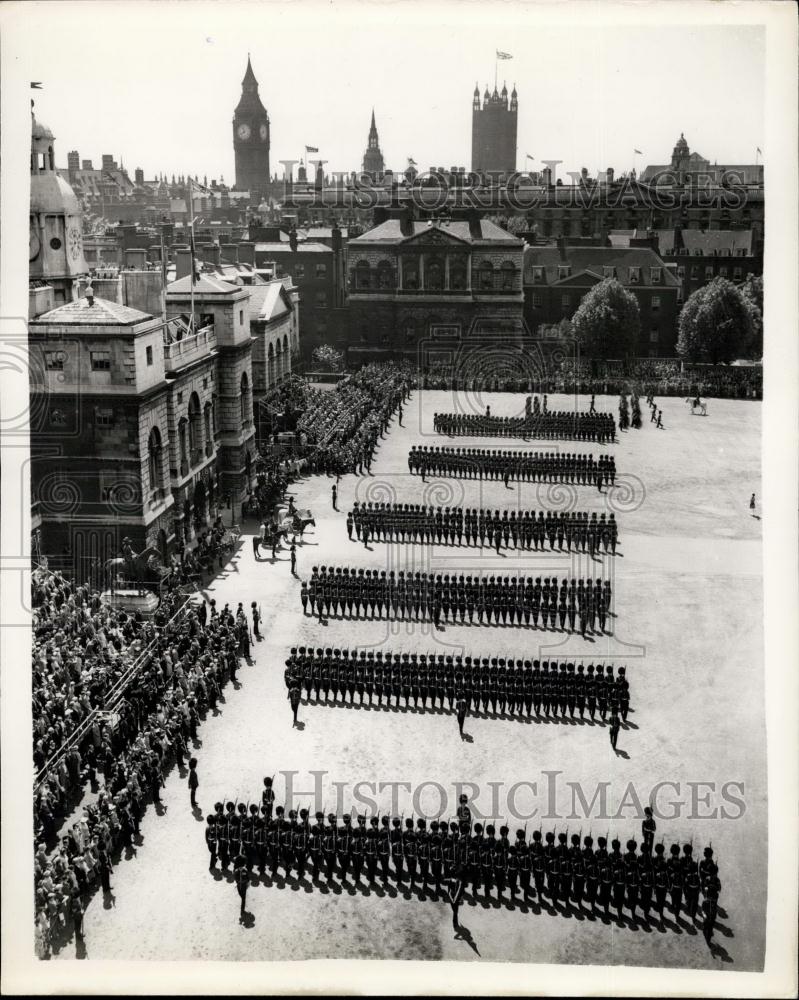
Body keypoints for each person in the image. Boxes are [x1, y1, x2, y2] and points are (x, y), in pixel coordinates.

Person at [234, 853, 249, 920]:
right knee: (243, 897)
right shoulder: (244, 870)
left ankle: (242, 910)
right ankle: (242, 910)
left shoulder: (237, 870)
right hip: (242, 886)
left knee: (243, 898)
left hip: (241, 885)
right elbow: (248, 879)